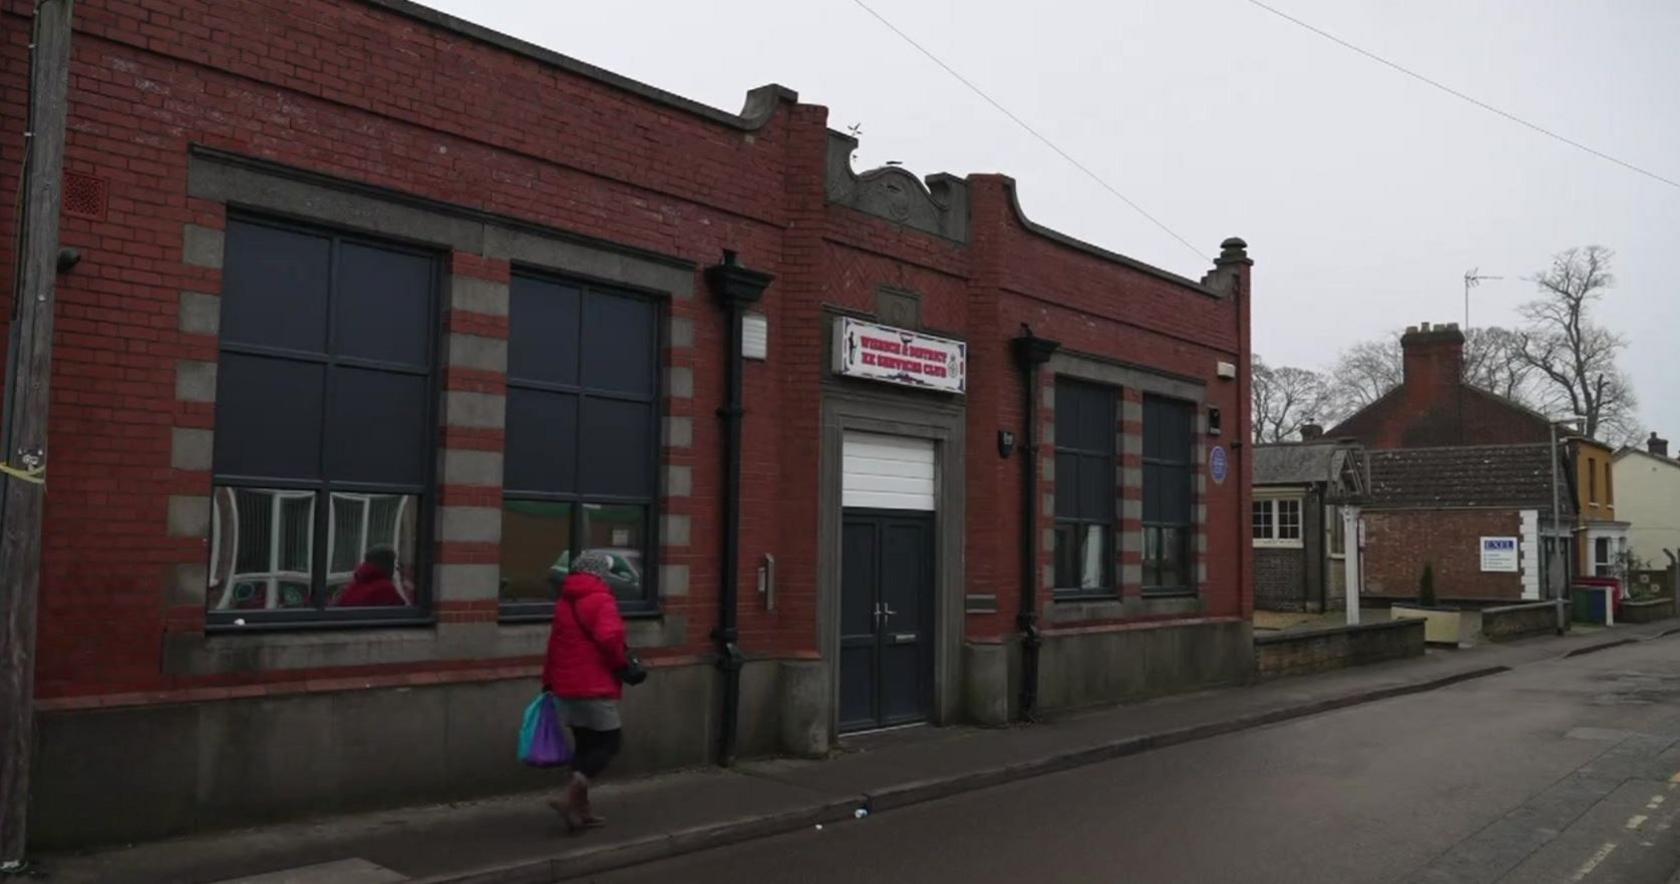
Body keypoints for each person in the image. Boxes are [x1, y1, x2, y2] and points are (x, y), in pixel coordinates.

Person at [542, 550, 628, 832]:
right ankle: (570, 798)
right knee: (609, 743)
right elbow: (610, 639)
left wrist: (549, 683)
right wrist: (623, 665)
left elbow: (554, 646)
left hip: (565, 686)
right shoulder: (602, 600)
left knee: (585, 745)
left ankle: (581, 811)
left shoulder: (564, 601)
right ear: (600, 573)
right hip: (594, 685)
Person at [336, 546, 407, 607]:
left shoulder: (356, 584)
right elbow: (404, 613)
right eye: (392, 563)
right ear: (384, 564)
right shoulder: (385, 588)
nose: (394, 568)